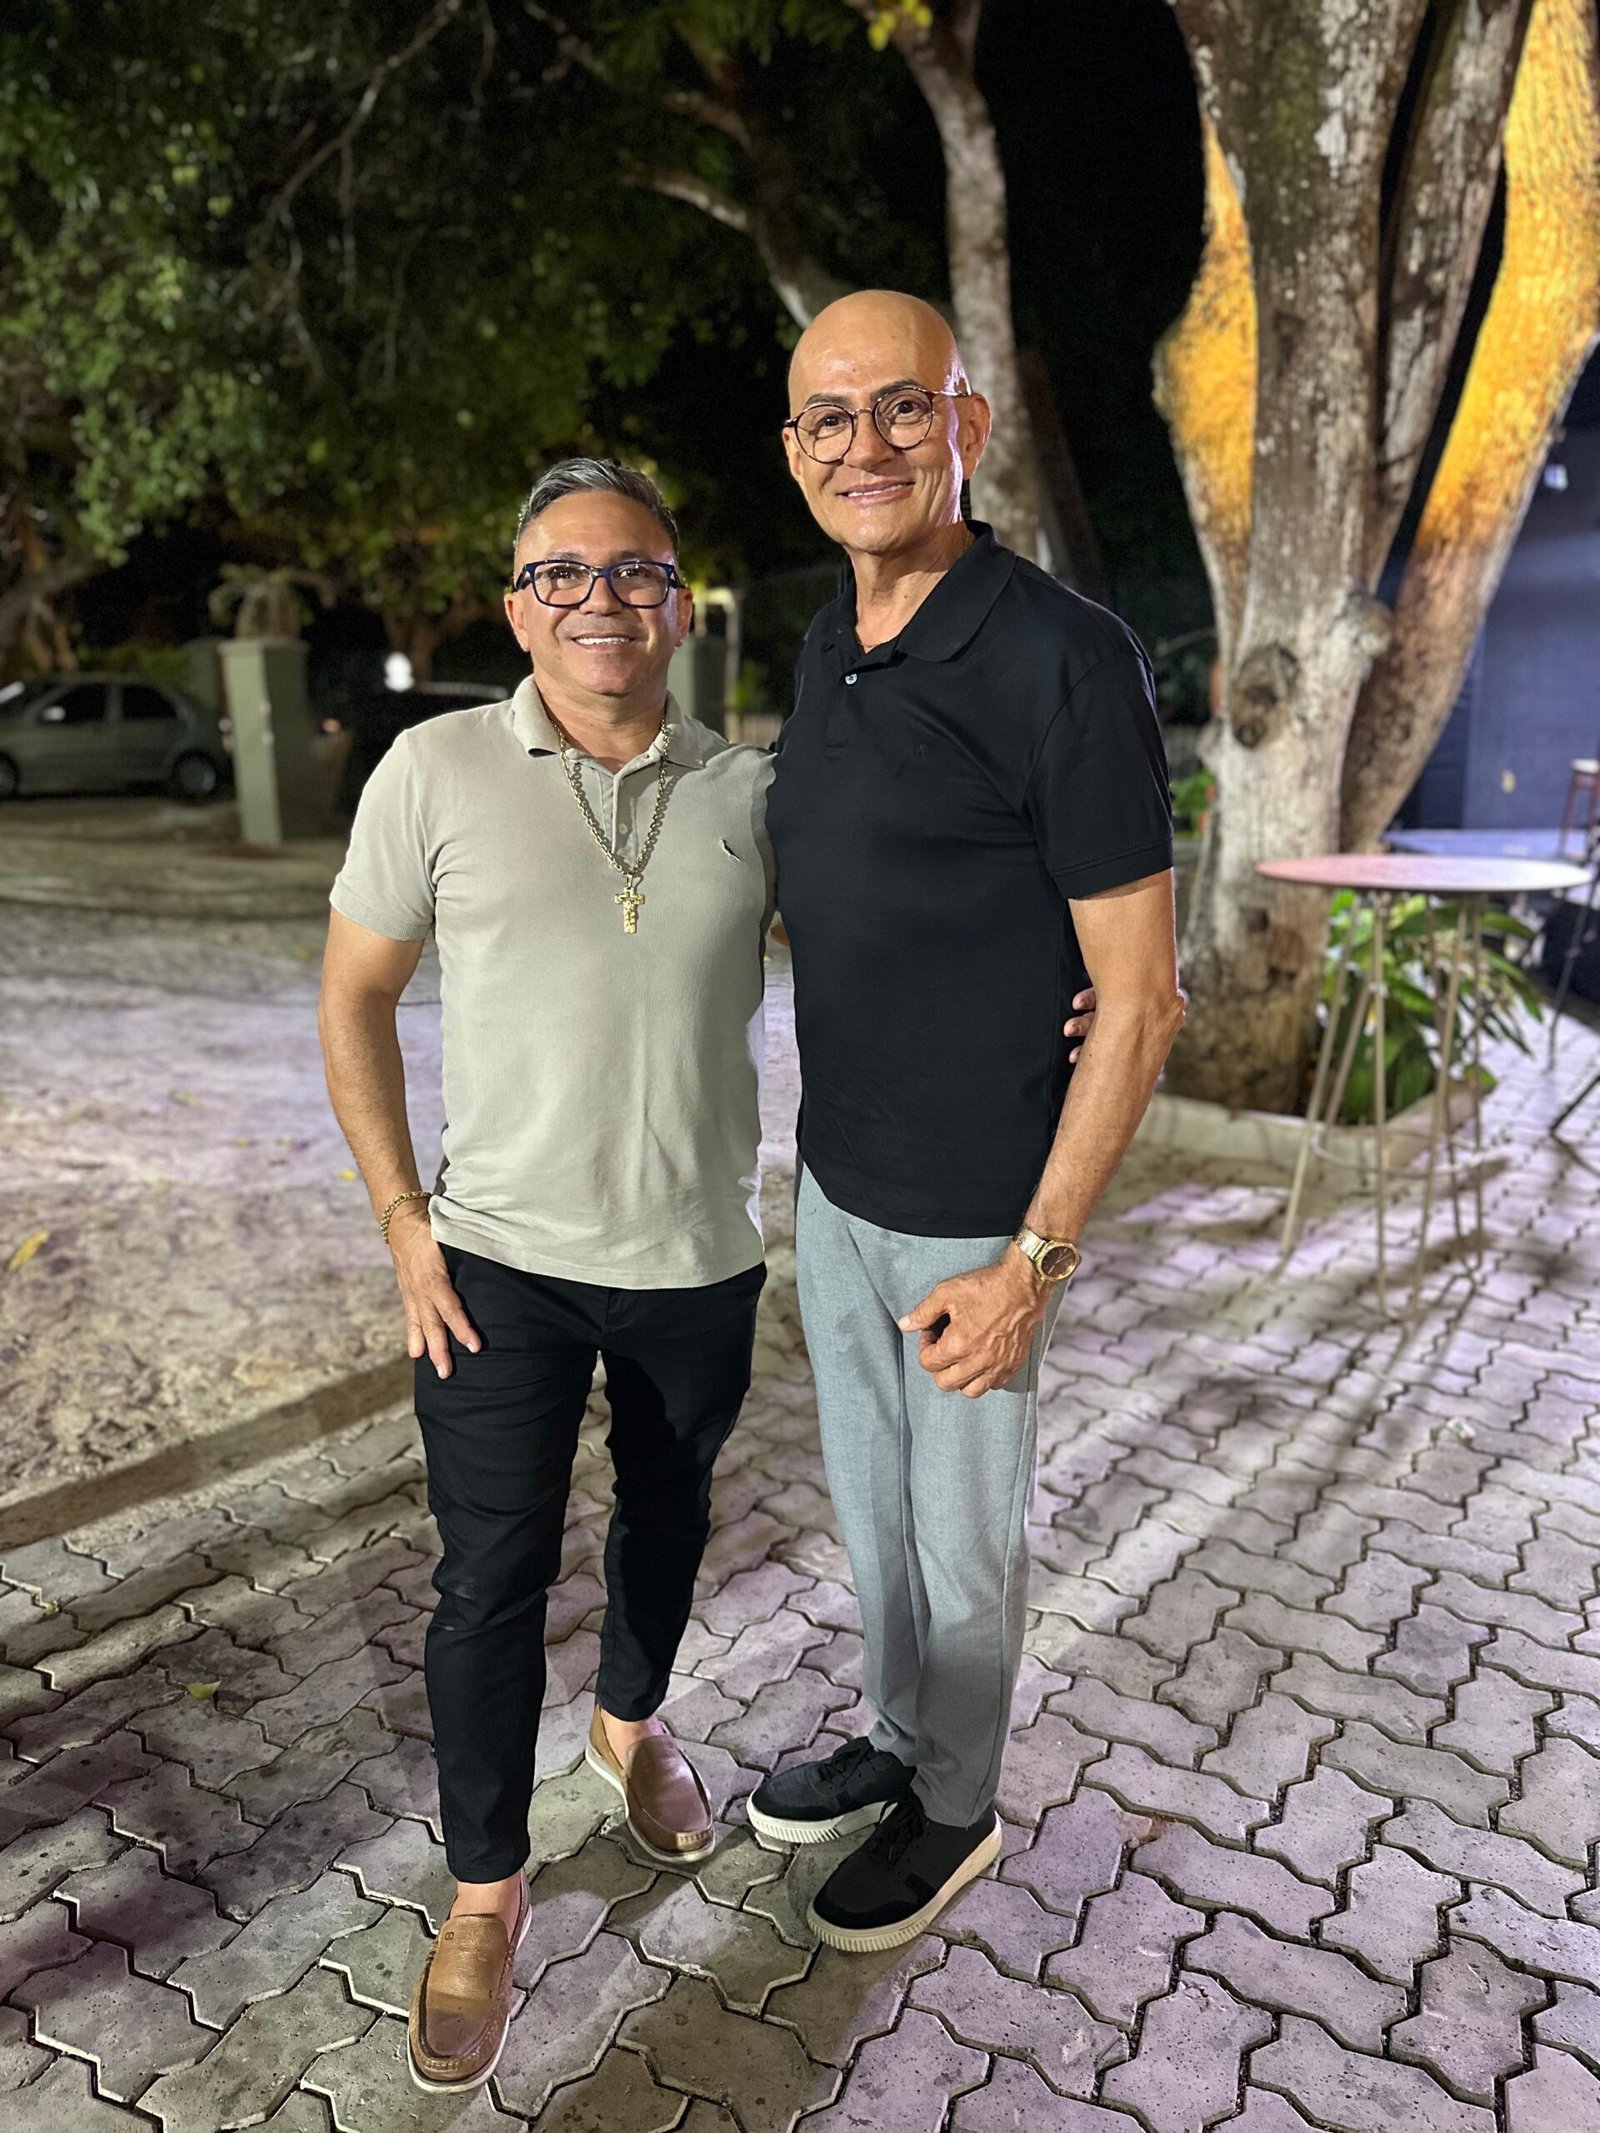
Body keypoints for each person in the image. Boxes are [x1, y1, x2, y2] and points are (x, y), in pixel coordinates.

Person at [318, 459, 780, 2095]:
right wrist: (402, 1218)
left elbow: (891, 947)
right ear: (517, 607)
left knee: (668, 1520)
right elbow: (353, 995)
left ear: (679, 602)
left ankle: (631, 1726)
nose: (599, 598)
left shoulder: (752, 792)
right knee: (487, 1577)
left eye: (633, 568)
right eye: (560, 573)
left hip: (698, 1257)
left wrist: (1056, 993)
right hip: (494, 1264)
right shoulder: (434, 768)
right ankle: (485, 1889)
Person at [747, 291, 1185, 1954]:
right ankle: (894, 1733)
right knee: (875, 1517)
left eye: (900, 407)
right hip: (838, 1180)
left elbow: (1139, 999)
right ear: (795, 451)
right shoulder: (828, 643)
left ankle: (957, 1803)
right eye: (827, 417)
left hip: (974, 1213)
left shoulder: (1062, 655)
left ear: (967, 427)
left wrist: (1034, 1262)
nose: (863, 443)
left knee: (962, 1537)